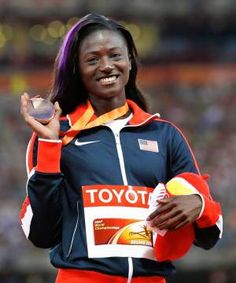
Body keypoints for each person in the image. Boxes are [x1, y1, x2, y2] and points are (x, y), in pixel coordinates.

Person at [20, 13, 223, 283]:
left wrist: (199, 205)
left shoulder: (166, 136)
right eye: (93, 60)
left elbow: (211, 235)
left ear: (129, 61)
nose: (106, 66)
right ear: (76, 70)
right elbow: (40, 232)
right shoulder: (58, 136)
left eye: (115, 55)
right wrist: (49, 146)